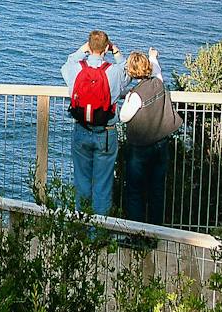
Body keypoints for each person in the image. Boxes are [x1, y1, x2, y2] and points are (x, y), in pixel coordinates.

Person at [61, 30, 127, 216]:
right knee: (103, 184)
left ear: (89, 47)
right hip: (105, 133)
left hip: (81, 130)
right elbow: (126, 70)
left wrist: (84, 49)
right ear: (106, 47)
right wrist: (116, 53)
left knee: (82, 181)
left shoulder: (76, 68)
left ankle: (81, 226)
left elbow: (67, 63)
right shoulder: (113, 71)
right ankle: (98, 234)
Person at [119, 47, 181, 226]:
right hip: (160, 144)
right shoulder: (158, 83)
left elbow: (124, 117)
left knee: (135, 192)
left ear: (131, 72)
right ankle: (156, 231)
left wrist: (127, 97)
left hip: (140, 148)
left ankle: (136, 233)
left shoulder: (135, 95)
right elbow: (158, 70)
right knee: (157, 190)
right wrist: (153, 57)